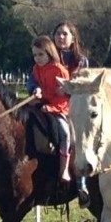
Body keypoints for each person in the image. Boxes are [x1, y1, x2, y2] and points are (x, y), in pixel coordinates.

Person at [27, 21, 91, 207]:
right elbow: (33, 80)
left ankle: (81, 184)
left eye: (64, 34)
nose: (60, 37)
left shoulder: (81, 61)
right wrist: (35, 89)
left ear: (73, 38)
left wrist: (69, 88)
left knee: (75, 137)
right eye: (57, 34)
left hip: (72, 106)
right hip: (47, 102)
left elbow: (83, 84)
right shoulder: (44, 57)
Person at [30, 35, 73, 185]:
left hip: (59, 108)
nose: (37, 58)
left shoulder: (60, 70)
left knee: (65, 133)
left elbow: (64, 96)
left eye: (41, 54)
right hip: (41, 103)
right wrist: (36, 90)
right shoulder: (36, 69)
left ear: (49, 52)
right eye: (35, 55)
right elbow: (34, 84)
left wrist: (51, 107)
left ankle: (64, 168)